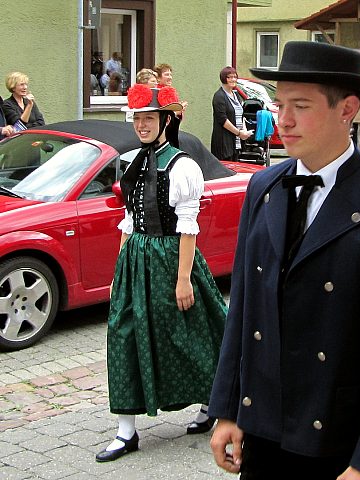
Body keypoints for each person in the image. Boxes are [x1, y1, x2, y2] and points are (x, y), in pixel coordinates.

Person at [207, 41, 360, 479]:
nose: (285, 120)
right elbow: (243, 308)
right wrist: (227, 408)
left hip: (339, 441)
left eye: (301, 106)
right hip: (263, 432)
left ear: (347, 109)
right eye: (280, 104)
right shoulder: (263, 187)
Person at [96, 84, 226, 462]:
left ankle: (211, 403)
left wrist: (184, 279)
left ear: (168, 120)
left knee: (189, 335)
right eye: (138, 119)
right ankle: (125, 431)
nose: (142, 125)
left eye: (149, 119)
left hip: (171, 257)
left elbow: (188, 226)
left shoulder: (183, 165)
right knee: (125, 334)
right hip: (136, 258)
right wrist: (121, 269)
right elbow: (129, 218)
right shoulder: (135, 159)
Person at [211, 66, 252, 162]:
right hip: (224, 142)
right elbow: (223, 120)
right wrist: (239, 133)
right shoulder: (219, 96)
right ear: (223, 78)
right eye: (229, 77)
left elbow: (241, 114)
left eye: (235, 77)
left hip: (236, 141)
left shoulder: (236, 94)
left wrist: (244, 130)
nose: (233, 79)